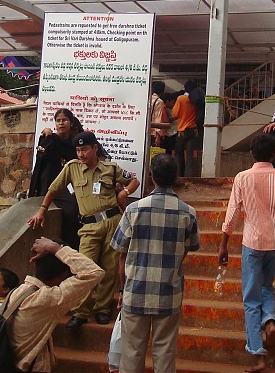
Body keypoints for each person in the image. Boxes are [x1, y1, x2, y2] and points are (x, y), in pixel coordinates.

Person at [28, 131, 139, 329]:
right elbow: (53, 189)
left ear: (95, 148)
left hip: (113, 221)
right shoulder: (72, 169)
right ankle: (80, 310)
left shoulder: (111, 168)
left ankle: (103, 308)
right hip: (88, 225)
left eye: (84, 150)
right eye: (78, 150)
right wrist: (42, 210)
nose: (81, 154)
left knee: (110, 267)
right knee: (83, 265)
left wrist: (125, 193)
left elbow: (134, 180)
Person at [111, 153, 200, 373]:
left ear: (151, 175)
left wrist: (122, 290)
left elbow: (121, 254)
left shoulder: (133, 210)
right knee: (165, 352)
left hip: (136, 290)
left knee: (131, 353)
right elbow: (188, 248)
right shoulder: (188, 213)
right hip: (168, 292)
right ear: (176, 177)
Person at [218, 133, 275, 373]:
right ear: (274, 154)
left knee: (251, 298)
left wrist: (224, 243)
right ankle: (269, 321)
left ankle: (257, 354)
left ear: (252, 153)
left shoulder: (242, 178)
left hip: (252, 242)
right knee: (266, 287)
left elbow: (232, 213)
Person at [7, 237, 104, 372]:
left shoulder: (17, 292)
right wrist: (56, 249)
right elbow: (94, 272)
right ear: (64, 275)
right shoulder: (48, 299)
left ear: (34, 263)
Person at [29, 108, 84, 249]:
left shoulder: (75, 144)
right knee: (71, 210)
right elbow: (40, 162)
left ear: (71, 123)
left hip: (70, 184)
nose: (61, 123)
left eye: (64, 120)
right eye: (58, 120)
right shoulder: (50, 139)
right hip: (51, 183)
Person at [172, 84, 198, 178]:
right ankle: (189, 176)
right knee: (190, 155)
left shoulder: (181, 98)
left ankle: (179, 175)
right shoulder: (196, 100)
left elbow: (175, 114)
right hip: (193, 130)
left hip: (182, 130)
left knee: (179, 153)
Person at [149, 81, 169, 149]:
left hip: (146, 131)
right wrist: (158, 137)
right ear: (162, 91)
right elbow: (158, 119)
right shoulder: (159, 102)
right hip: (154, 133)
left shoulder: (148, 99)